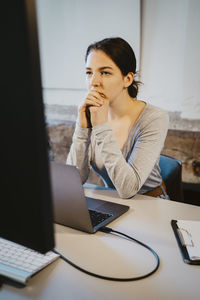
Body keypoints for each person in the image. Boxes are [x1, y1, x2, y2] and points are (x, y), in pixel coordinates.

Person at [67, 37, 169, 199]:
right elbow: (73, 180)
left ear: (127, 79)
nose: (93, 82)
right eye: (89, 73)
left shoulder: (155, 118)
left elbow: (128, 189)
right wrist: (82, 128)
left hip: (149, 203)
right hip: (114, 201)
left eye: (105, 72)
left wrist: (101, 126)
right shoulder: (92, 113)